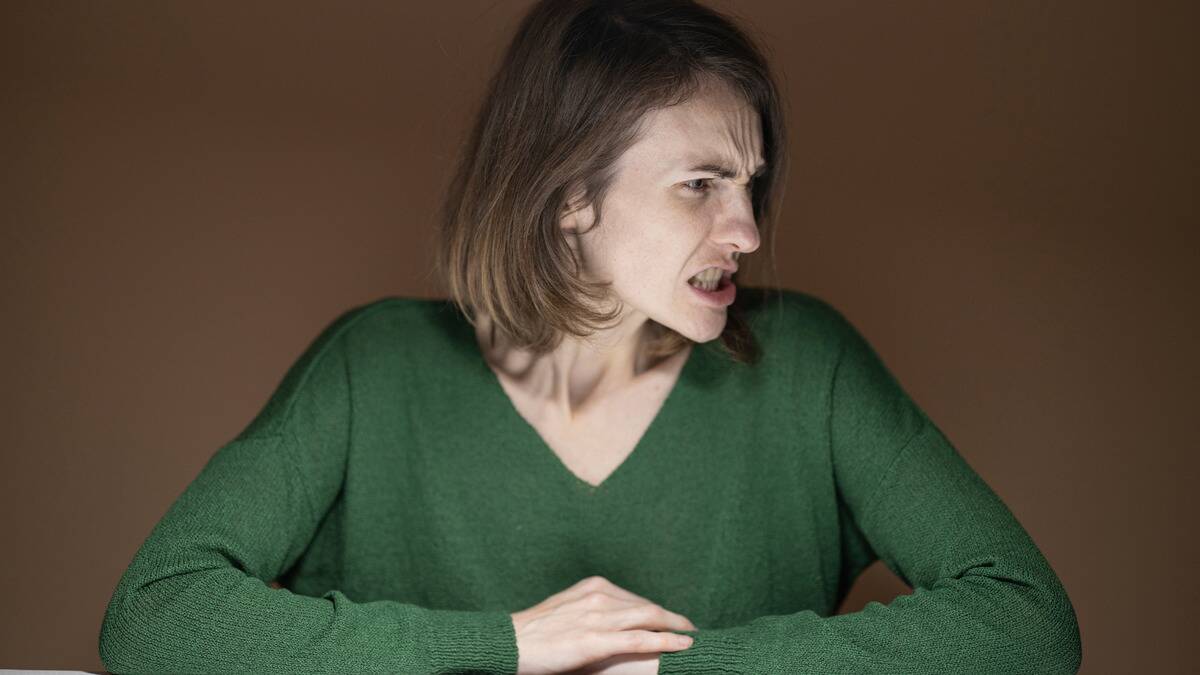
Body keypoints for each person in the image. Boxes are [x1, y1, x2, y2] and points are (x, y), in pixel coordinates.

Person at [98, 1, 1082, 673]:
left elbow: (1025, 621)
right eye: (700, 183)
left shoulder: (812, 363)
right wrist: (505, 645)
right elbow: (156, 615)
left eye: (751, 183)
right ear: (570, 194)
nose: (746, 230)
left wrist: (681, 666)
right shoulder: (372, 367)